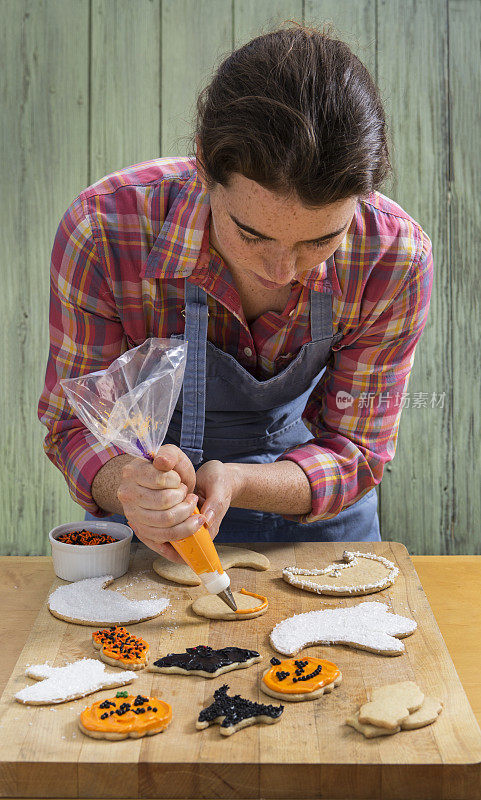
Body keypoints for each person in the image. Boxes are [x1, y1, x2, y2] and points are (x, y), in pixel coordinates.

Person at [38, 23, 433, 562]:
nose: (281, 270)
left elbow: (357, 450)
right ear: (203, 163)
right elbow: (73, 424)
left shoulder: (393, 258)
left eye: (320, 240)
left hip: (317, 533)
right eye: (251, 234)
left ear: (362, 199)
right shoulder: (105, 231)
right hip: (149, 530)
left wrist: (239, 481)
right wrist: (129, 484)